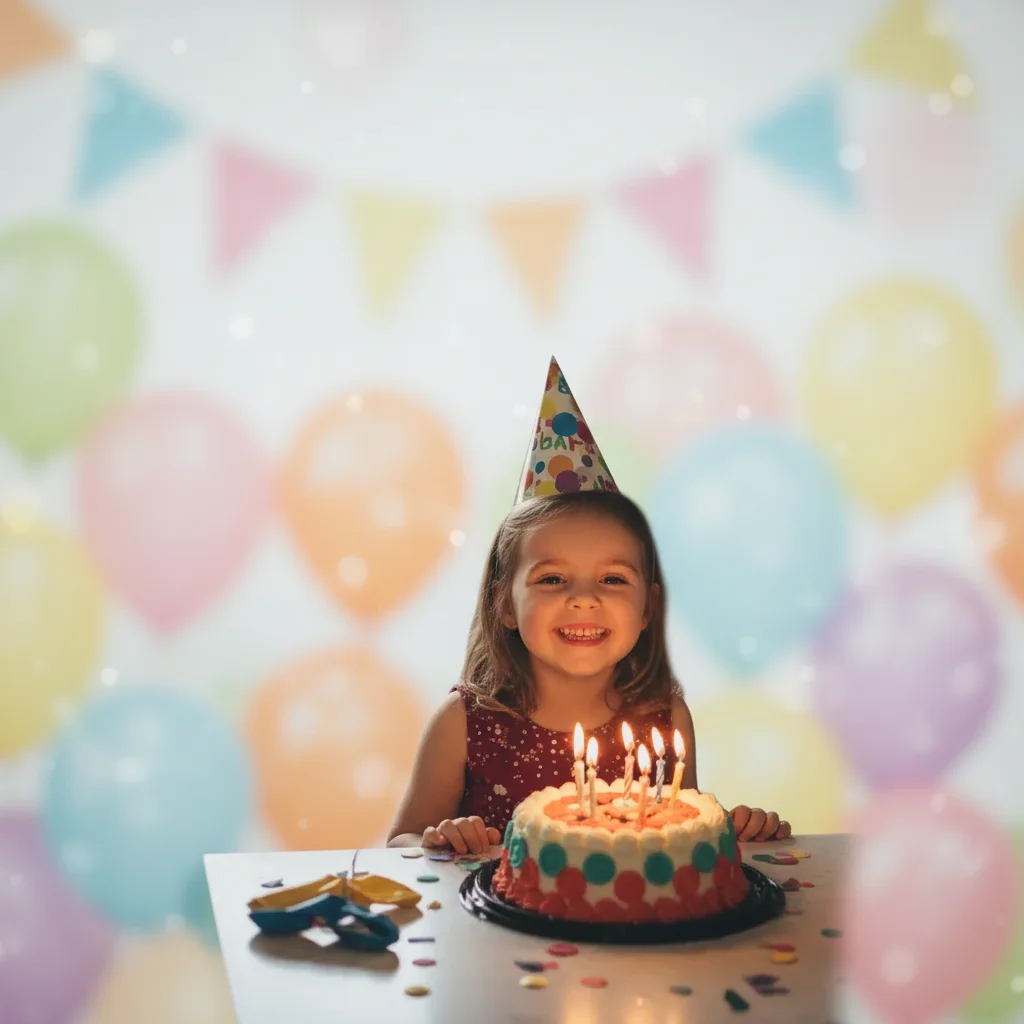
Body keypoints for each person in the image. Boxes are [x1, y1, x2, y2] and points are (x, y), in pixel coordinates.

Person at [387, 359, 791, 855]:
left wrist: (735, 829)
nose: (584, 598)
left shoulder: (662, 719)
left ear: (648, 609)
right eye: (552, 578)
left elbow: (684, 845)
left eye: (613, 578)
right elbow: (400, 846)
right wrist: (436, 840)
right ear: (504, 606)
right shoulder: (464, 724)